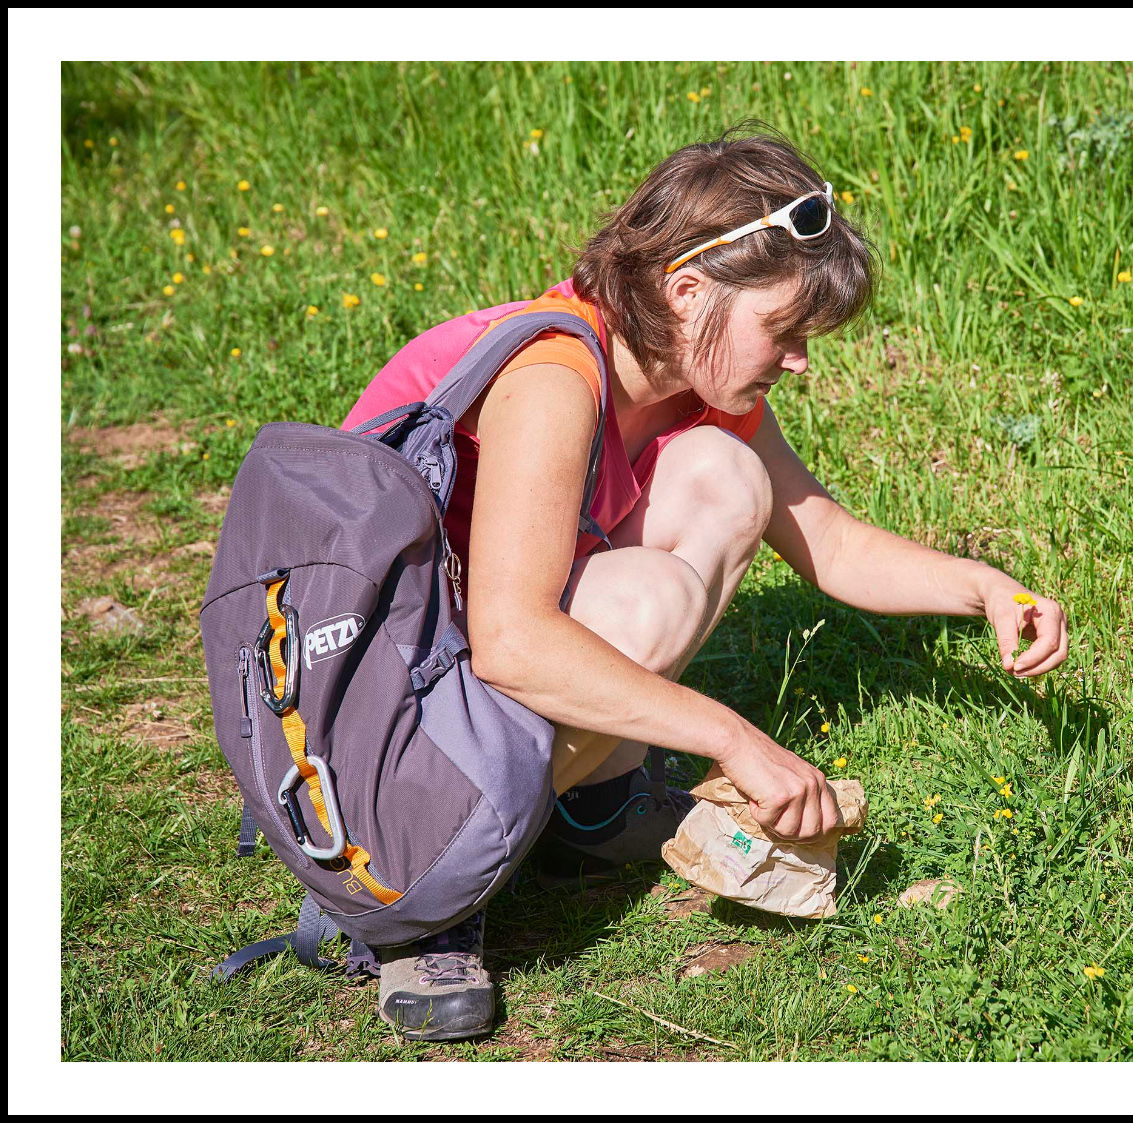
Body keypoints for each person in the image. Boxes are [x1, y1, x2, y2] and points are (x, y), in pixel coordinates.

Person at [341, 125, 1070, 1039]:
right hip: (373, 736)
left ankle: (589, 806)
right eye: (784, 328)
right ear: (686, 292)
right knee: (648, 596)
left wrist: (987, 588)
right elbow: (514, 638)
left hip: (455, 681)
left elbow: (830, 544)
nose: (801, 359)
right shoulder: (553, 375)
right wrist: (735, 740)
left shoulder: (692, 380)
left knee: (728, 480)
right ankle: (418, 891)